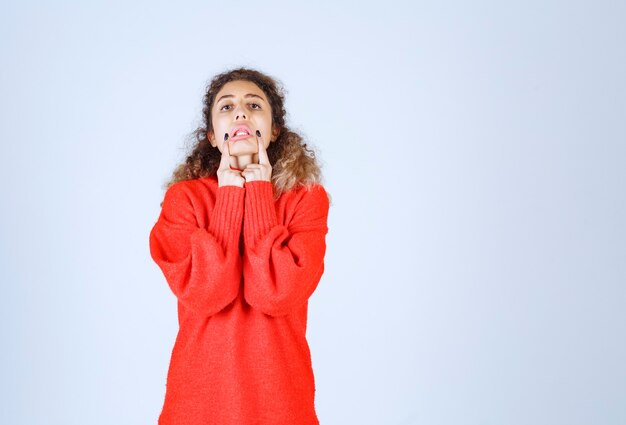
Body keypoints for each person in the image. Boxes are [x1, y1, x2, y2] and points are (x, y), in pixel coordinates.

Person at [149, 67, 331, 425]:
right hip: (197, 404)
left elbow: (274, 294)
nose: (241, 113)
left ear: (275, 129)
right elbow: (206, 295)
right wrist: (230, 192)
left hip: (280, 402)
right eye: (227, 107)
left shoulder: (305, 200)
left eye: (253, 104)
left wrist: (260, 192)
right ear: (213, 137)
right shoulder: (183, 200)